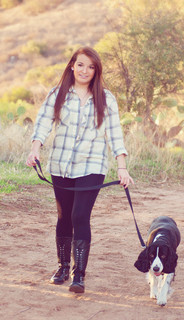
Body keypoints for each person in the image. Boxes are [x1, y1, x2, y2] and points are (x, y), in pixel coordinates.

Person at [26, 46, 134, 294]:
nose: (85, 70)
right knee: (64, 217)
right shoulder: (58, 93)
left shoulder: (106, 98)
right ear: (72, 65)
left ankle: (79, 275)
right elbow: (43, 123)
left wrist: (122, 167)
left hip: (92, 165)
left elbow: (114, 134)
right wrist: (35, 149)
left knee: (79, 216)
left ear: (97, 71)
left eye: (91, 66)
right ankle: (63, 267)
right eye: (81, 64)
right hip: (61, 165)